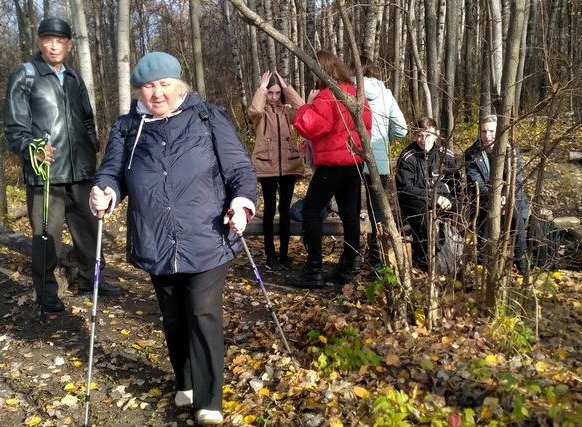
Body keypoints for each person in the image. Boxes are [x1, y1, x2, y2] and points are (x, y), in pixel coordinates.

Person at [89, 52, 257, 425]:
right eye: (148, 87)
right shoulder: (126, 127)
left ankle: (209, 398)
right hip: (154, 236)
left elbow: (240, 170)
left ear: (178, 85)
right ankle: (186, 381)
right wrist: (104, 191)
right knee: (173, 316)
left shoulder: (208, 117)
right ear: (139, 91)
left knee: (201, 310)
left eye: (164, 84)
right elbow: (112, 172)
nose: (157, 93)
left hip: (208, 234)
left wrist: (242, 204)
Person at [3, 17, 122, 313]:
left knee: (89, 231)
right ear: (39, 42)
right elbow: (14, 128)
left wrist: (91, 144)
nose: (53, 45)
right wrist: (34, 149)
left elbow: (86, 118)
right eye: (48, 39)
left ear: (69, 45)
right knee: (46, 236)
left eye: (60, 40)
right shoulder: (25, 76)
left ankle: (91, 282)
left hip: (81, 170)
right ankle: (46, 293)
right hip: (45, 174)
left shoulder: (74, 78)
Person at [290, 49, 372, 288]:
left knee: (311, 212)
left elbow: (310, 127)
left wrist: (305, 106)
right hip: (355, 162)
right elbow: (367, 126)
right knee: (349, 215)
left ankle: (314, 269)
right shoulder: (357, 94)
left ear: (321, 71)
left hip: (333, 165)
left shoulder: (326, 96)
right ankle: (349, 265)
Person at [247, 70, 305, 271]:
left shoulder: (287, 112)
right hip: (266, 165)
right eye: (270, 93)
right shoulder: (260, 114)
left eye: (276, 93)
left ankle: (284, 254)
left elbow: (303, 109)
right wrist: (261, 89)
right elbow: (253, 110)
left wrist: (287, 87)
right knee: (270, 210)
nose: (273, 97)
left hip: (289, 164)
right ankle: (270, 256)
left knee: (285, 211)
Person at [353, 55, 408, 265]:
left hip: (354, 159)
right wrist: (384, 136)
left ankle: (355, 256)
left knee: (353, 210)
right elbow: (402, 129)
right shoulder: (386, 95)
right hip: (379, 162)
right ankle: (379, 258)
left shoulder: (349, 91)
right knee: (379, 210)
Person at [464, 114, 530, 274]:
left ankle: (522, 264)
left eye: (491, 131)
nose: (487, 136)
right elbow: (475, 183)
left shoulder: (511, 151)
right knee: (488, 217)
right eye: (484, 131)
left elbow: (517, 180)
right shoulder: (472, 153)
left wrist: (505, 197)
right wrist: (496, 198)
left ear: (499, 131)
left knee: (516, 215)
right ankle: (485, 265)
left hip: (510, 196)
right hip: (484, 198)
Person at [395, 117, 461, 268]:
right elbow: (405, 188)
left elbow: (456, 184)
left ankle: (454, 257)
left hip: (442, 197)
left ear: (437, 134)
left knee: (462, 211)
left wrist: (455, 201)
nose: (423, 140)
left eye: (428, 135)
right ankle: (423, 261)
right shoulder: (408, 157)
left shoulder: (446, 154)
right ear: (414, 136)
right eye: (419, 135)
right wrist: (434, 198)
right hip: (414, 198)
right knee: (424, 216)